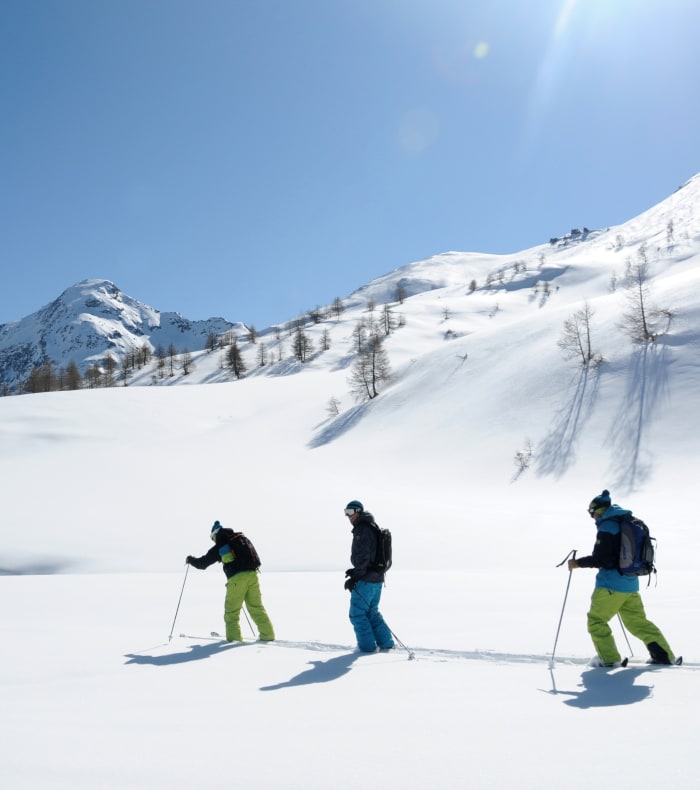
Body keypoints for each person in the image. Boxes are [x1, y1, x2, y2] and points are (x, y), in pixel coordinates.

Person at [568, 490, 679, 667]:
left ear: (602, 510)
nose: (592, 517)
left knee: (596, 621)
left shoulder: (607, 527)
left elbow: (601, 559)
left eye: (592, 512)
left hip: (610, 586)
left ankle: (609, 659)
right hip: (631, 584)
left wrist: (577, 563)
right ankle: (664, 656)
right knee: (638, 622)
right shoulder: (626, 522)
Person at [186, 520, 275, 643]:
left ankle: (234, 641)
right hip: (253, 575)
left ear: (215, 535)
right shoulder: (240, 539)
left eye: (213, 538)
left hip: (237, 580)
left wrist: (190, 560)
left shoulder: (222, 544)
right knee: (256, 607)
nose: (214, 541)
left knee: (231, 613)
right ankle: (267, 635)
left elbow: (203, 564)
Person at [343, 500, 395, 653]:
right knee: (372, 611)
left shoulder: (362, 529)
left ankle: (367, 648)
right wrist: (355, 572)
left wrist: (355, 577)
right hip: (377, 578)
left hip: (366, 579)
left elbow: (363, 557)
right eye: (346, 512)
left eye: (351, 512)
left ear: (358, 512)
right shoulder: (372, 526)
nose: (348, 517)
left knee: (357, 614)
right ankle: (386, 643)